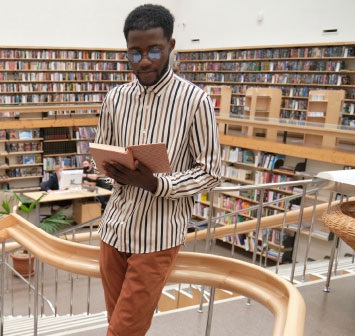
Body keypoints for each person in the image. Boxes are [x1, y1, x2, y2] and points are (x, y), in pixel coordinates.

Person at [94, 4, 221, 335]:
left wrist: (156, 183)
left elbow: (211, 172)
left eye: (154, 50)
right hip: (114, 229)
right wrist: (113, 169)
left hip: (158, 234)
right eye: (134, 53)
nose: (145, 60)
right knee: (118, 324)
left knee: (123, 330)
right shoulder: (115, 98)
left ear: (171, 47)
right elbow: (103, 151)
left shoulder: (196, 101)